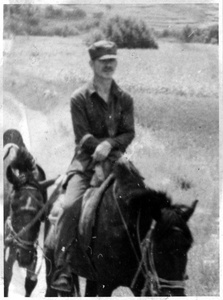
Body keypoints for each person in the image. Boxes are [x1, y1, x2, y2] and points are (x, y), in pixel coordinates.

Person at [51, 40, 135, 292]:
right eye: (103, 61)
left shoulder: (125, 99)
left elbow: (128, 132)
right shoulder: (79, 97)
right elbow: (82, 137)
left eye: (112, 60)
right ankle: (64, 268)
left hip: (117, 163)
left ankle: (144, 265)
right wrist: (98, 146)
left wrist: (110, 145)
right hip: (86, 163)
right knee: (69, 205)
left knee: (144, 200)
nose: (108, 65)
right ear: (92, 64)